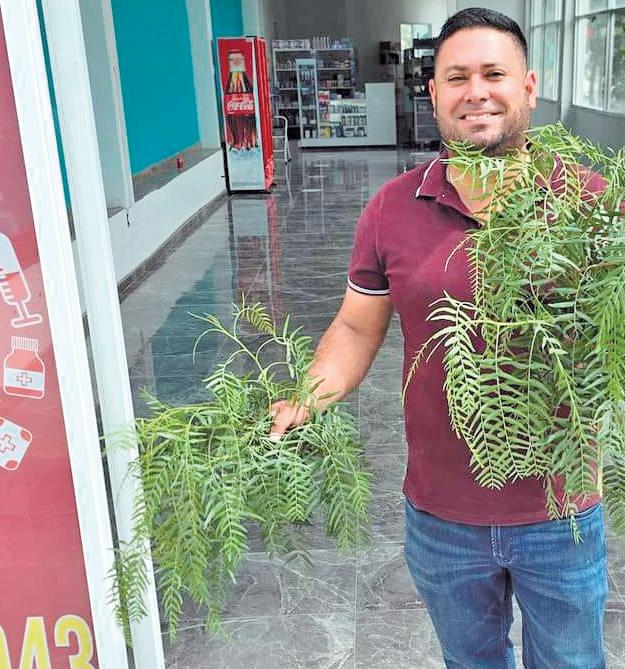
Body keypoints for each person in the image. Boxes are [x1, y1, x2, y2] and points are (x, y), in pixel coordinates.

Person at [270, 8, 607, 669]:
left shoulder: (590, 203)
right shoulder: (391, 208)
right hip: (442, 515)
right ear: (433, 94)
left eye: (493, 74)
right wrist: (307, 397)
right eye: (456, 77)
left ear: (528, 86)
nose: (475, 92)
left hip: (561, 510)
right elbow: (354, 325)